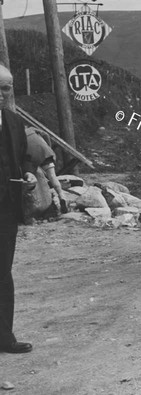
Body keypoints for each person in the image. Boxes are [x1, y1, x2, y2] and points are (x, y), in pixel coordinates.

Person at [0, 64, 37, 353]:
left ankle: (4, 337)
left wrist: (28, 173)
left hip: (5, 211)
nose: (2, 93)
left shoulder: (13, 121)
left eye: (6, 87)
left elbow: (25, 156)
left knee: (2, 272)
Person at [25, 127, 68, 214]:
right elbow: (45, 135)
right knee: (53, 176)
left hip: (31, 157)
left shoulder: (16, 136)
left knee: (32, 175)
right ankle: (61, 196)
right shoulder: (32, 129)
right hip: (46, 153)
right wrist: (48, 147)